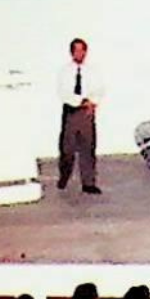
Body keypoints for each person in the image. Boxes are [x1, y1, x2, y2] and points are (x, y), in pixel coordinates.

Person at [56, 37, 103, 193]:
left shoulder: (92, 71)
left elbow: (98, 90)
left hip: (86, 113)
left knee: (88, 147)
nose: (80, 53)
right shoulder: (65, 72)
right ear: (72, 52)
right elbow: (64, 93)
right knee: (67, 149)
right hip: (71, 111)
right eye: (76, 50)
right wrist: (82, 101)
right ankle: (64, 176)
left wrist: (92, 103)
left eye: (82, 50)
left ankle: (88, 182)